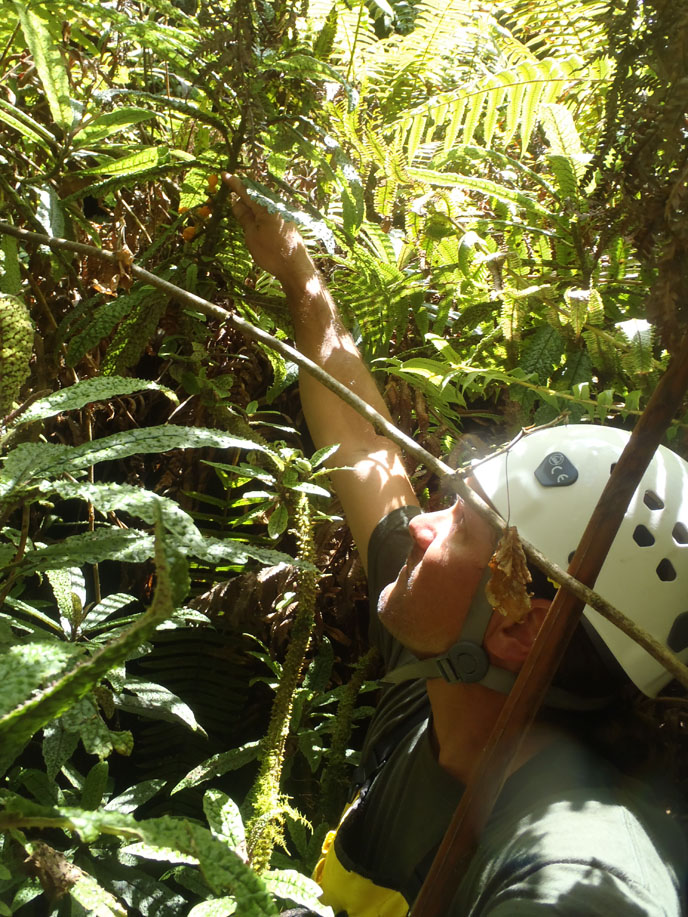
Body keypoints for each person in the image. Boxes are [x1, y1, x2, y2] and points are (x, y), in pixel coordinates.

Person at [225, 174, 688, 916]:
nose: (415, 522)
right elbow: (362, 441)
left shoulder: (581, 859)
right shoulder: (442, 667)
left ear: (516, 624)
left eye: (461, 524)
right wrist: (298, 275)